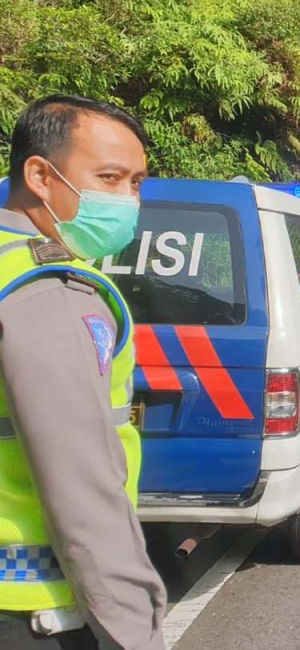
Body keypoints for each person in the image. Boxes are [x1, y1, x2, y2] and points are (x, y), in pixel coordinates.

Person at [0, 95, 166, 649]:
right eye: (110, 178)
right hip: (33, 611)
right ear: (41, 176)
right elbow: (81, 489)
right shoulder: (50, 292)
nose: (127, 200)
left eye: (137, 183)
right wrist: (135, 632)